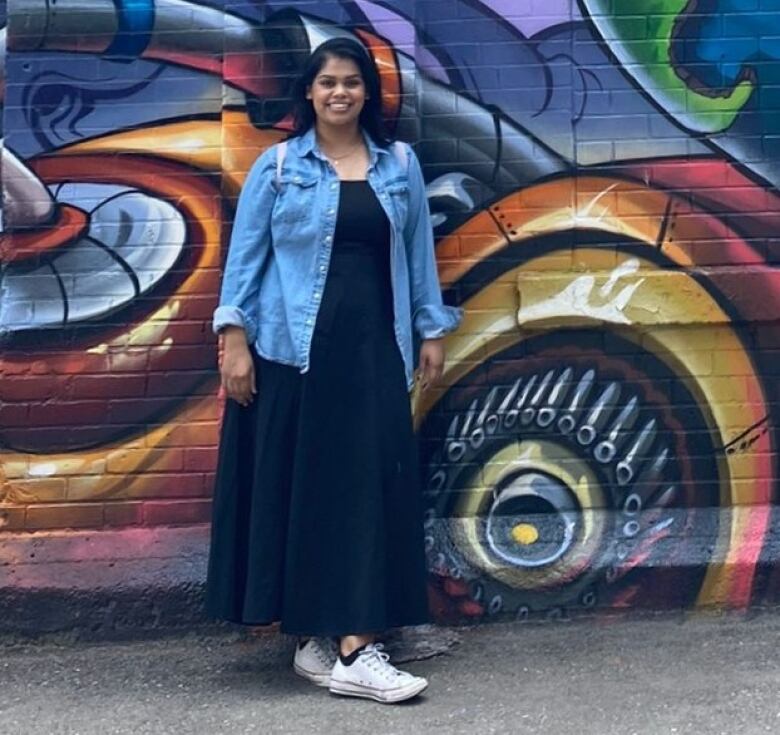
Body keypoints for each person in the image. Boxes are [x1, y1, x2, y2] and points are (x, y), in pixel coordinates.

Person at [205, 36, 462, 704]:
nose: (341, 93)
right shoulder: (281, 167)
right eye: (328, 83)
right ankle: (332, 642)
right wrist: (233, 338)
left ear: (367, 94)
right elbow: (246, 258)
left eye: (352, 83)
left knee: (366, 487)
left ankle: (354, 644)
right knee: (308, 490)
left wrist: (431, 328)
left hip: (374, 351)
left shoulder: (397, 164)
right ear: (310, 94)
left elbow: (415, 255)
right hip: (292, 352)